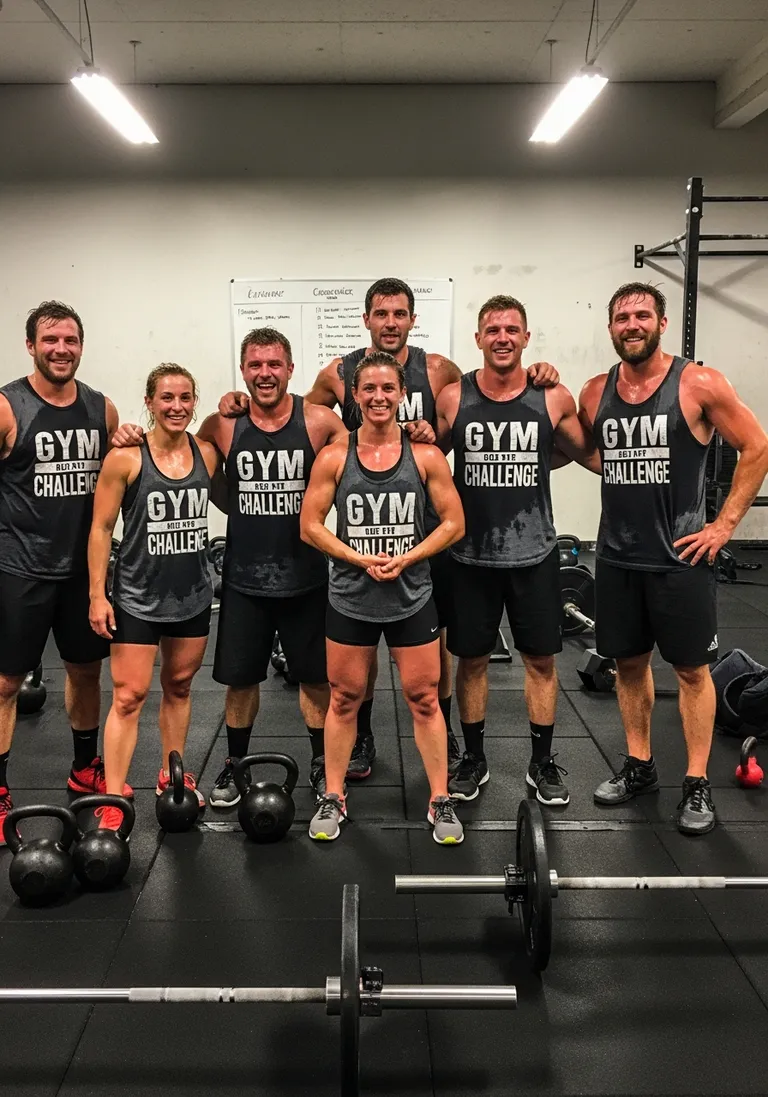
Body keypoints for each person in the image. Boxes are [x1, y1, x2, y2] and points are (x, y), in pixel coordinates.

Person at [220, 277, 559, 781]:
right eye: (381, 314)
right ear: (367, 320)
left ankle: (440, 735)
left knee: (437, 645)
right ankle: (363, 739)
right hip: (363, 541)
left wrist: (535, 373)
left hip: (429, 538)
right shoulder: (337, 374)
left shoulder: (440, 370)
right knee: (361, 653)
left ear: (412, 320)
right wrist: (242, 402)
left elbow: (477, 405)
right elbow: (297, 413)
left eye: (400, 314)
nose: (391, 323)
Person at [111, 328, 348, 804]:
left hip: (306, 577)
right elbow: (188, 464)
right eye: (255, 365)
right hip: (242, 578)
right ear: (243, 370)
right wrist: (128, 434)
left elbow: (362, 461)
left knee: (317, 680)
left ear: (290, 369)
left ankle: (322, 763)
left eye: (274, 364)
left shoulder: (320, 422)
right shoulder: (221, 427)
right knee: (241, 680)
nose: (265, 373)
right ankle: (234, 764)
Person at [579, 282, 768, 835]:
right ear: (610, 327)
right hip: (615, 558)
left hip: (681, 559)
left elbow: (756, 447)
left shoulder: (699, 382)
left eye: (641, 315)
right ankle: (639, 765)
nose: (630, 325)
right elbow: (591, 451)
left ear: (661, 324)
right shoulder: (595, 391)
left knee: (691, 671)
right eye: (621, 317)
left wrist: (724, 525)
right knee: (629, 666)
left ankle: (696, 782)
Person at [435, 294, 598, 806]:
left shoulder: (551, 396)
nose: (502, 337)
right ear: (478, 338)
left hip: (535, 555)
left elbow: (590, 454)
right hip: (469, 557)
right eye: (492, 329)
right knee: (472, 661)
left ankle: (541, 762)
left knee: (541, 663)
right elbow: (422, 459)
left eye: (512, 329)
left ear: (526, 338)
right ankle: (475, 759)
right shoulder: (452, 397)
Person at [300, 351, 466, 844]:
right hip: (351, 597)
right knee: (345, 698)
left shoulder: (426, 456)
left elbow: (455, 522)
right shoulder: (335, 456)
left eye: (387, 389)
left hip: (411, 596)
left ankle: (440, 799)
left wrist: (410, 558)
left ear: (402, 394)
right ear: (354, 395)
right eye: (368, 389)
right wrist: (355, 558)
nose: (378, 397)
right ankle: (333, 795)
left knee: (424, 699)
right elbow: (309, 526)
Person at [0, 301, 127, 844]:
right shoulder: (8, 408)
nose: (61, 349)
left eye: (70, 340)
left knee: (84, 672)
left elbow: (116, 480)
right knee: (5, 682)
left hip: (82, 573)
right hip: (19, 568)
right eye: (50, 340)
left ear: (81, 345)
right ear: (31, 345)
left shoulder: (102, 410)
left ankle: (83, 767)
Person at [88, 365, 220, 829]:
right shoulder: (126, 457)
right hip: (136, 596)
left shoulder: (207, 453)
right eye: (167, 397)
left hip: (193, 596)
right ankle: (111, 797)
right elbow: (102, 528)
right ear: (149, 402)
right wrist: (97, 595)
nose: (177, 406)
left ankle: (172, 776)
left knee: (179, 687)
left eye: (186, 397)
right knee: (128, 696)